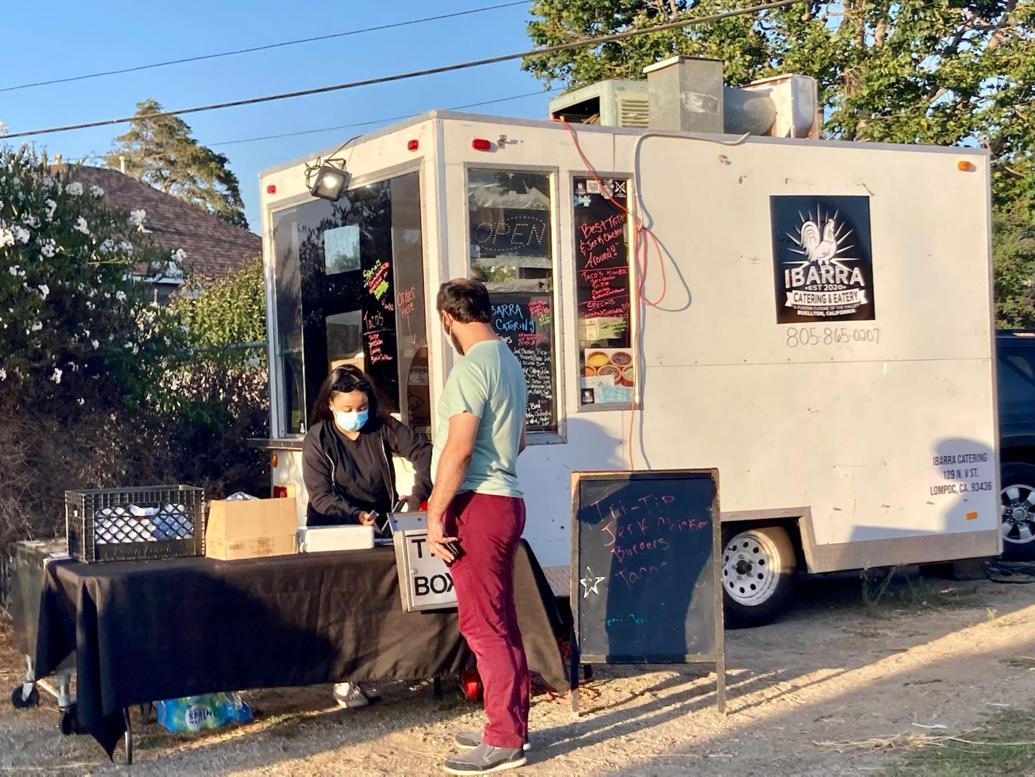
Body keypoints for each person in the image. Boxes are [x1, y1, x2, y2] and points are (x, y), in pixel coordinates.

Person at [426, 278, 530, 775]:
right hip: (506, 499)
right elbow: (521, 442)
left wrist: (434, 511)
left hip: (479, 504)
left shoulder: (471, 369)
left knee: (482, 626)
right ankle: (506, 721)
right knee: (501, 621)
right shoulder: (510, 363)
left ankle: (504, 739)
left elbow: (460, 448)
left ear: (448, 319)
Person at [302, 364, 432, 708]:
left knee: (376, 603)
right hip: (334, 531)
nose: (356, 416)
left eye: (361, 408)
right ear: (330, 404)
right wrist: (353, 515)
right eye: (347, 410)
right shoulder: (318, 438)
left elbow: (422, 451)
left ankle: (371, 671)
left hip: (381, 527)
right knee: (344, 606)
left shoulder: (382, 426)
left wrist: (417, 496)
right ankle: (344, 678)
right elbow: (320, 495)